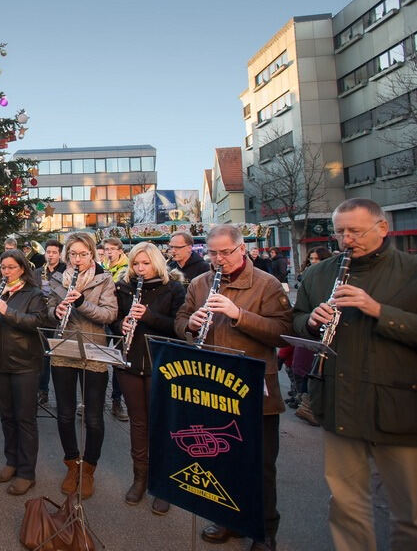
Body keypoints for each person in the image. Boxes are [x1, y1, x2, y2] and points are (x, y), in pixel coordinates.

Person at [293, 198, 417, 551]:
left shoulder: (411, 270)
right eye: (340, 232)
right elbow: (296, 320)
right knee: (347, 506)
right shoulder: (319, 273)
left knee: (410, 511)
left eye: (356, 231)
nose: (347, 239)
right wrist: (310, 321)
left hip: (398, 407)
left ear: (383, 228)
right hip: (339, 403)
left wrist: (377, 309)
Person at [175, 224, 291, 551]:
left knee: (260, 465)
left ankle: (264, 530)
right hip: (213, 385)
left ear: (241, 249)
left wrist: (239, 314)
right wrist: (190, 324)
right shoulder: (199, 282)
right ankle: (227, 518)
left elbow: (283, 332)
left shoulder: (266, 283)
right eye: (212, 253)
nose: (218, 259)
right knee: (221, 458)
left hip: (254, 388)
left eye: (225, 252)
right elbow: (180, 319)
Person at [114, 242, 185, 515]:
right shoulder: (124, 288)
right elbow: (113, 319)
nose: (140, 269)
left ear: (157, 263)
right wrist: (120, 324)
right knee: (138, 423)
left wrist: (150, 316)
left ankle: (163, 483)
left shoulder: (174, 289)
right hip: (130, 363)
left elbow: (179, 327)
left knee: (160, 424)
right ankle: (140, 478)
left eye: (145, 263)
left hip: (161, 364)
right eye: (136, 264)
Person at [46, 233, 117, 499]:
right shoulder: (57, 278)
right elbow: (49, 308)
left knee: (93, 417)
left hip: (93, 350)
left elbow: (109, 314)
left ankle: (88, 468)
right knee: (65, 414)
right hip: (64, 349)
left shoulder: (104, 279)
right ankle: (72, 463)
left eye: (83, 254)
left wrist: (81, 303)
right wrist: (55, 313)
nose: (77, 260)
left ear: (92, 254)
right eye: (73, 254)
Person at [0, 248, 49, 495]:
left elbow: (36, 323)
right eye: (3, 267)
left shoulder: (34, 294)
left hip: (25, 364)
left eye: (11, 267)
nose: (6, 272)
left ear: (22, 268)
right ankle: (12, 461)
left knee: (25, 419)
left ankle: (27, 473)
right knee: (7, 416)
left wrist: (7, 311)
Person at [289, 246, 332, 426]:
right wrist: (308, 320)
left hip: (325, 332)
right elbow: (298, 313)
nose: (314, 262)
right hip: (311, 332)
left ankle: (307, 403)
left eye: (317, 259)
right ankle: (305, 402)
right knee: (304, 367)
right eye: (311, 258)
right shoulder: (309, 275)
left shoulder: (330, 274)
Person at [101, 237, 129, 422]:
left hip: (119, 318)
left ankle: (117, 401)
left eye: (112, 249)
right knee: (98, 358)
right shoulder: (102, 266)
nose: (109, 252)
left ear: (120, 250)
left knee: (119, 361)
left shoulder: (127, 267)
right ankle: (94, 399)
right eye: (106, 249)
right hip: (104, 317)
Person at [37, 239, 66, 404]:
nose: (51, 255)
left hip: (58, 319)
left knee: (58, 359)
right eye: (48, 252)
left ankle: (61, 395)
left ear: (60, 254)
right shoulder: (39, 271)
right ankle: (42, 390)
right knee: (43, 358)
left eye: (54, 252)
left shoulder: (66, 271)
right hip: (42, 319)